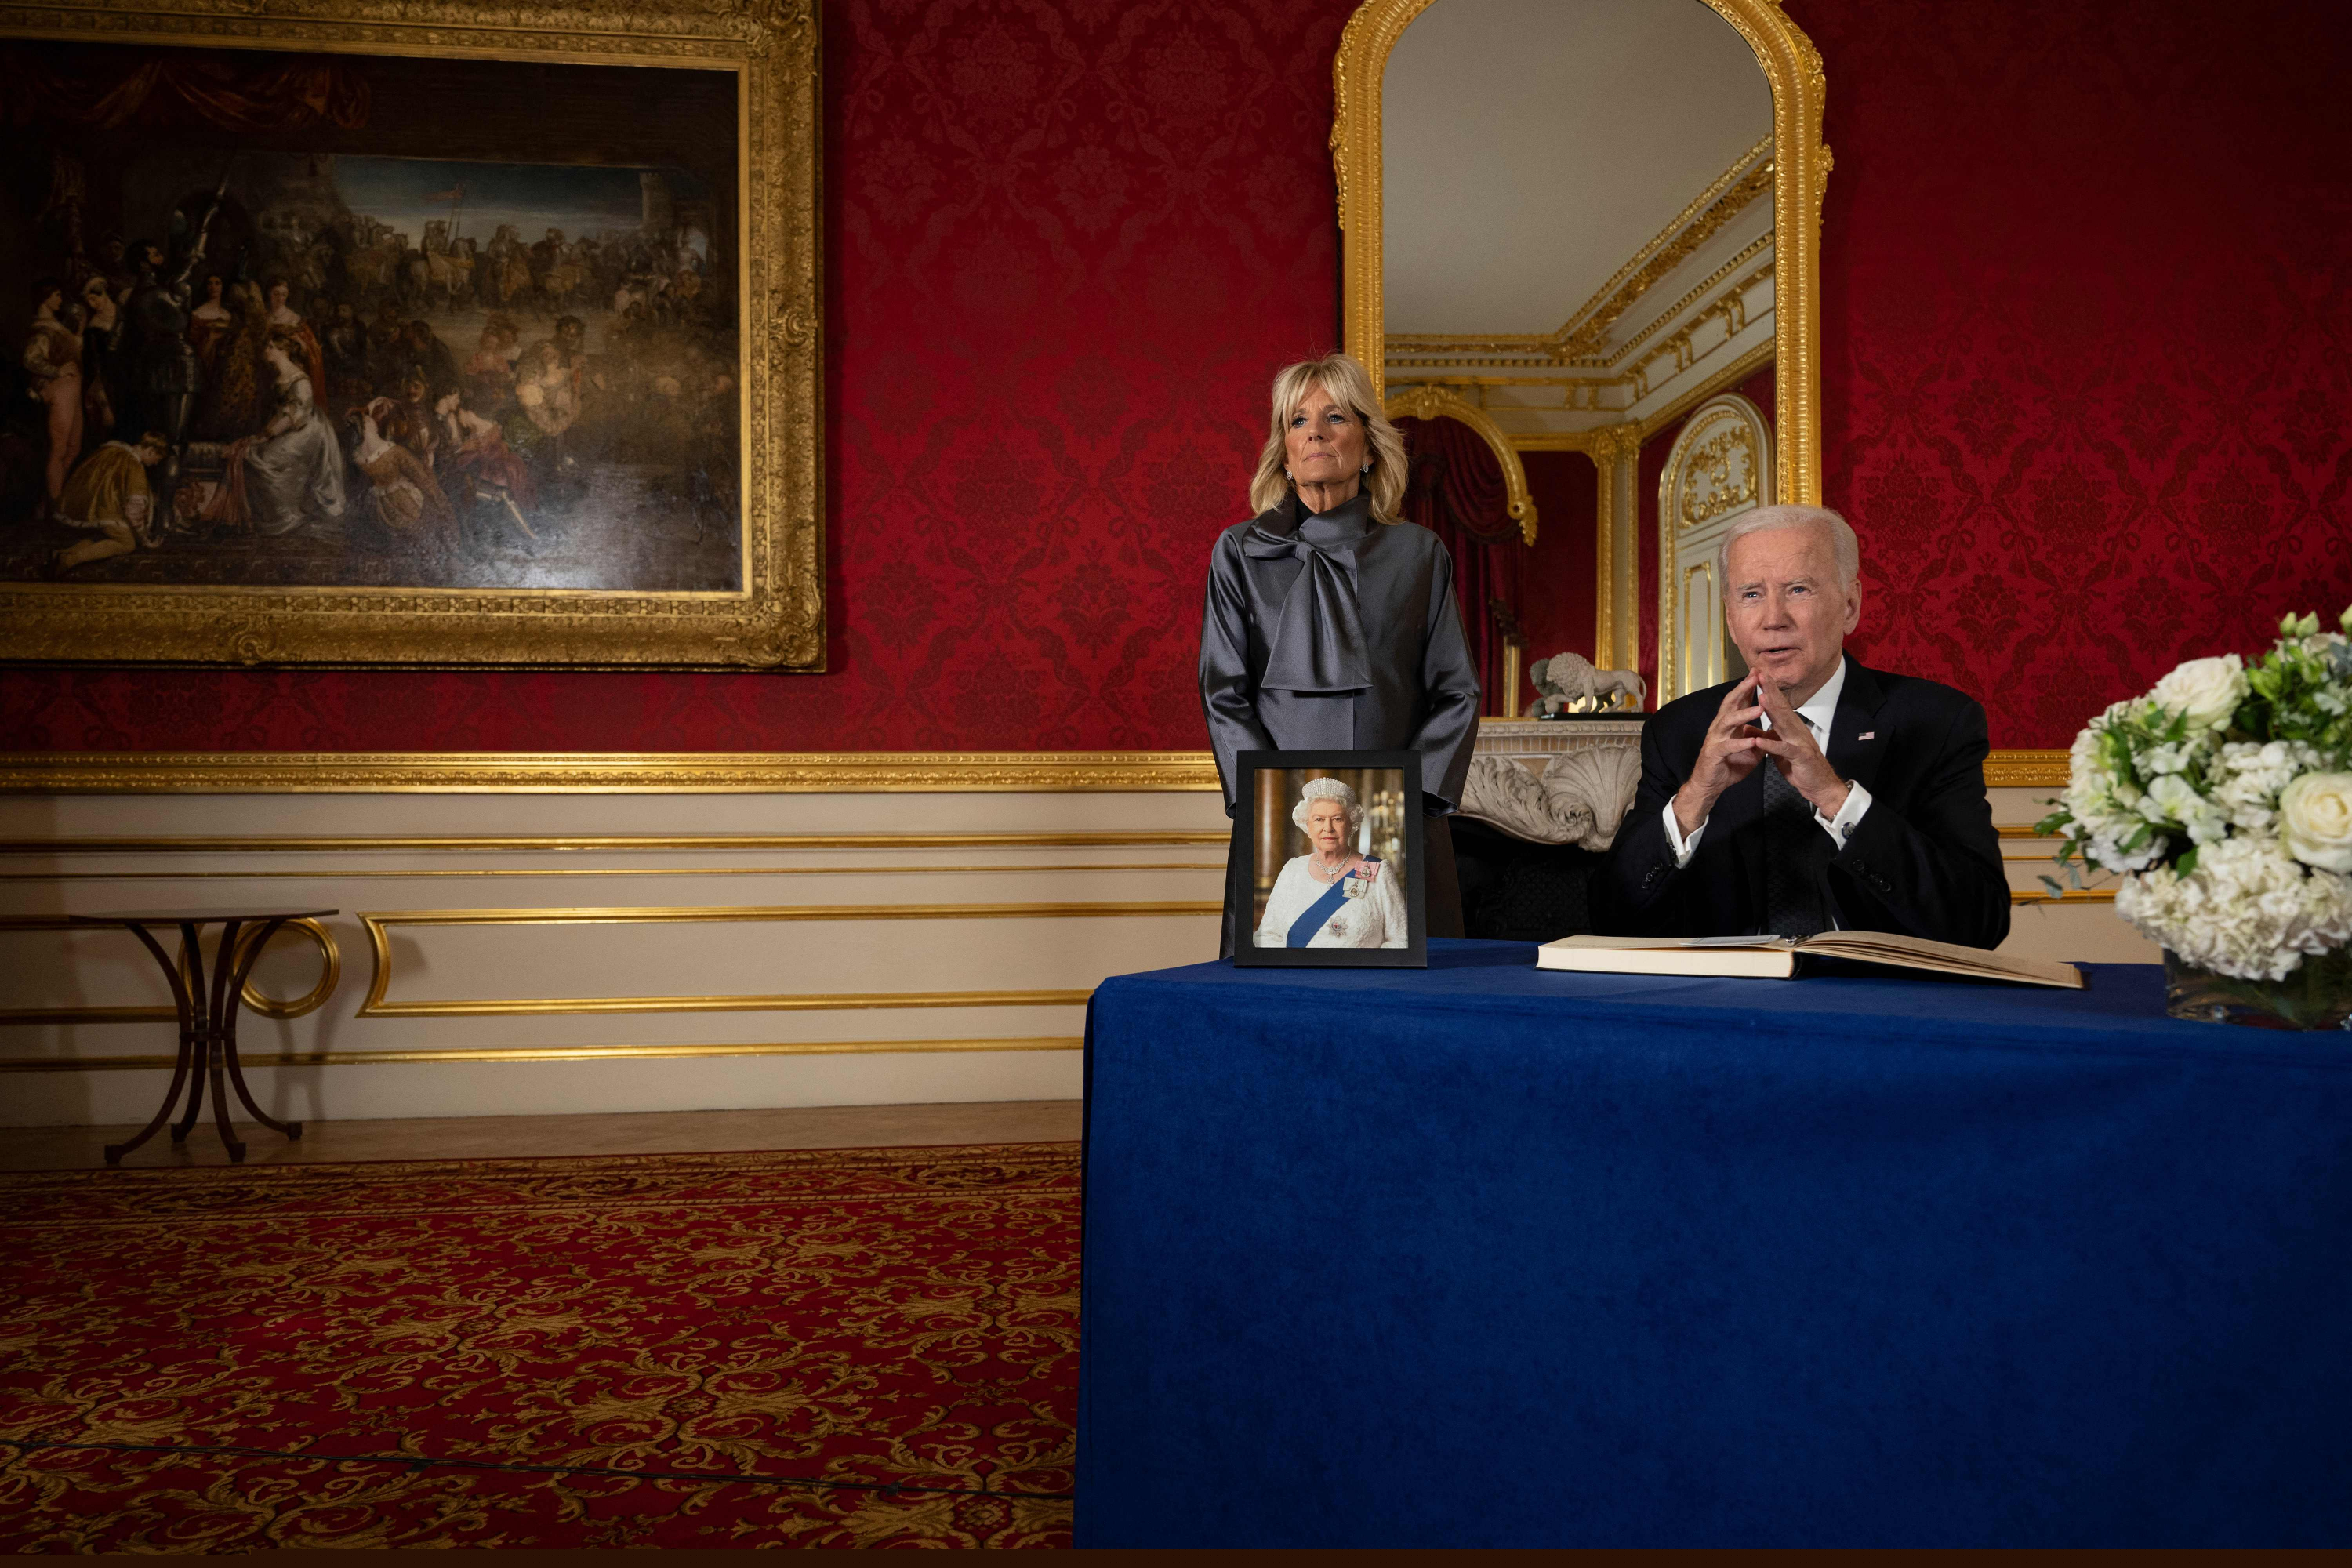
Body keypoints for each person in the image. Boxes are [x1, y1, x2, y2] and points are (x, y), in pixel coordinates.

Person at [1602, 504, 2009, 948]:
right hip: (1727, 999)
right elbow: (1610, 916)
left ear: (1850, 606)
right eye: (1751, 595)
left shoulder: (1936, 722)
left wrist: (1837, 798)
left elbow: (1980, 922)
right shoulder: (1679, 732)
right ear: (1731, 620)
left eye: (1798, 589)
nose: (1774, 618)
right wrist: (1695, 797)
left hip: (1876, 999)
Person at [1200, 351, 1481, 953]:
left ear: (1370, 444)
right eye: (1298, 421)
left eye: (1335, 417)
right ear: (1283, 447)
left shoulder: (1420, 554)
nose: (1316, 434)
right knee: (1276, 1009)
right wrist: (1266, 799)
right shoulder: (1237, 553)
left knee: (1406, 1014)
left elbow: (1456, 690)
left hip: (1401, 821)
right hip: (1284, 826)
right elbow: (1224, 691)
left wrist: (1410, 801)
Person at [1254, 777, 1408, 949]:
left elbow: (1400, 941)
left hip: (1359, 975)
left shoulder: (1375, 870)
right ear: (1308, 826)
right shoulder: (1293, 870)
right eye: (1319, 819)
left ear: (1351, 824)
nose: (1328, 828)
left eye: (1337, 819)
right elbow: (1267, 936)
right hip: (1299, 975)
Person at [228, 332, 345, 535]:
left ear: (283, 351)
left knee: (265, 459)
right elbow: (280, 411)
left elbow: (297, 415)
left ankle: (287, 517)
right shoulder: (278, 377)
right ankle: (270, 516)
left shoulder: (300, 379)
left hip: (308, 431)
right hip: (287, 427)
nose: (266, 351)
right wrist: (265, 433)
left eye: (271, 347)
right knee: (254, 452)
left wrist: (268, 434)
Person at [53, 430, 167, 572]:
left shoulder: (110, 452)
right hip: (107, 511)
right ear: (150, 451)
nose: (156, 463)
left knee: (102, 535)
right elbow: (134, 510)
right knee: (127, 543)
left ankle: (64, 553)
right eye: (158, 458)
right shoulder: (134, 467)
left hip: (91, 508)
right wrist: (144, 539)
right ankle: (69, 560)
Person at [22, 279, 85, 507]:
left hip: (73, 388)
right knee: (59, 448)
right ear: (45, 298)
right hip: (61, 389)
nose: (60, 300)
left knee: (73, 448)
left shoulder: (56, 326)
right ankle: (55, 502)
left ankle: (53, 498)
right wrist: (56, 371)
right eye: (56, 295)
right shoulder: (43, 328)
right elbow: (31, 359)